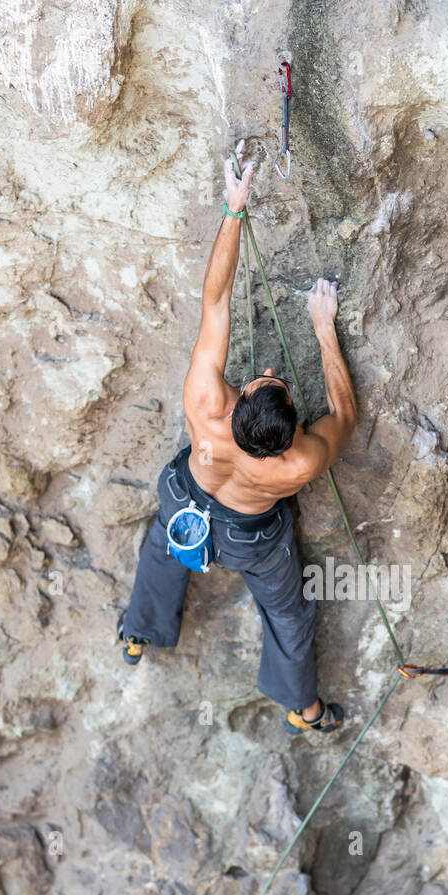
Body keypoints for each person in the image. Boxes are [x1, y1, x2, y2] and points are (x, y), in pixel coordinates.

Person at [117, 144, 358, 735]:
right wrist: (325, 331)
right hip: (250, 536)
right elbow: (345, 414)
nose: (270, 370)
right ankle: (302, 707)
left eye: (266, 380)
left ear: (240, 399)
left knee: (165, 544)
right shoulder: (296, 463)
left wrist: (233, 209)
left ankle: (138, 631)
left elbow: (215, 299)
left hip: (185, 498)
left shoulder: (207, 401)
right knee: (287, 610)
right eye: (271, 380)